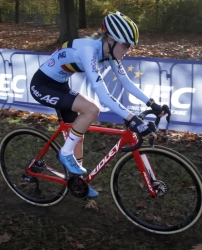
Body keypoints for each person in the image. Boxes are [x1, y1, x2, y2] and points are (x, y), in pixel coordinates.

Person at [29, 11, 169, 198]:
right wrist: (132, 118)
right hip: (42, 85)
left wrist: (153, 104)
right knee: (92, 109)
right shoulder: (90, 51)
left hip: (60, 86)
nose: (128, 50)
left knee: (78, 134)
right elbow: (103, 96)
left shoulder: (109, 53)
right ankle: (64, 152)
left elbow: (126, 83)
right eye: (126, 45)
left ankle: (77, 182)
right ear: (110, 39)